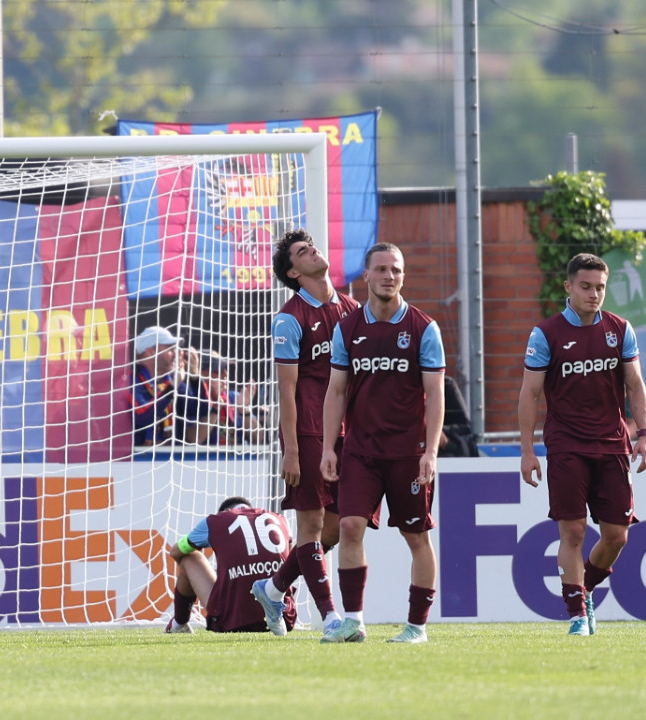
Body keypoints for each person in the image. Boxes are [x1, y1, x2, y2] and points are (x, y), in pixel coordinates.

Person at [518, 253, 646, 636]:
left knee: (617, 536)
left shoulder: (620, 329)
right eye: (586, 286)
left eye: (600, 287)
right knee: (573, 532)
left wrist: (644, 434)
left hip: (612, 445)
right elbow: (529, 395)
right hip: (566, 446)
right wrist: (527, 451)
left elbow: (635, 384)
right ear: (568, 287)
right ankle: (577, 615)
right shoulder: (545, 334)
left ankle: (585, 587)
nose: (594, 294)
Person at [320, 242, 446, 644]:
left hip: (408, 454)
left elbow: (436, 392)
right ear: (367, 276)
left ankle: (417, 626)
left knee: (416, 536)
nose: (389, 276)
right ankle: (354, 621)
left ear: (403, 276)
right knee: (349, 526)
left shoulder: (424, 328)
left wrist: (430, 452)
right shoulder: (348, 328)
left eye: (396, 270)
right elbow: (336, 391)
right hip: (361, 451)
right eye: (382, 269)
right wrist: (328, 447)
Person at [251, 229, 358, 638]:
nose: (313, 250)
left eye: (311, 245)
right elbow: (287, 389)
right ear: (294, 272)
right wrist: (291, 450)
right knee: (311, 527)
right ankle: (332, 618)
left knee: (337, 529)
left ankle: (274, 588)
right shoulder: (290, 318)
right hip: (310, 431)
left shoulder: (353, 310)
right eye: (302, 251)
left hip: (350, 433)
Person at [165, 496, 298, 634]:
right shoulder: (280, 520)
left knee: (190, 557)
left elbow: (175, 552)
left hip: (233, 621)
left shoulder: (214, 521)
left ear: (225, 512)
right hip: (284, 618)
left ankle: (178, 624)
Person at [130, 325, 179, 446]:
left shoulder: (174, 379)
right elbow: (142, 415)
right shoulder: (131, 381)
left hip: (175, 458)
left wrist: (195, 379)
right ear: (151, 351)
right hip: (139, 459)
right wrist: (172, 388)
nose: (175, 354)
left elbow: (200, 410)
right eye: (170, 348)